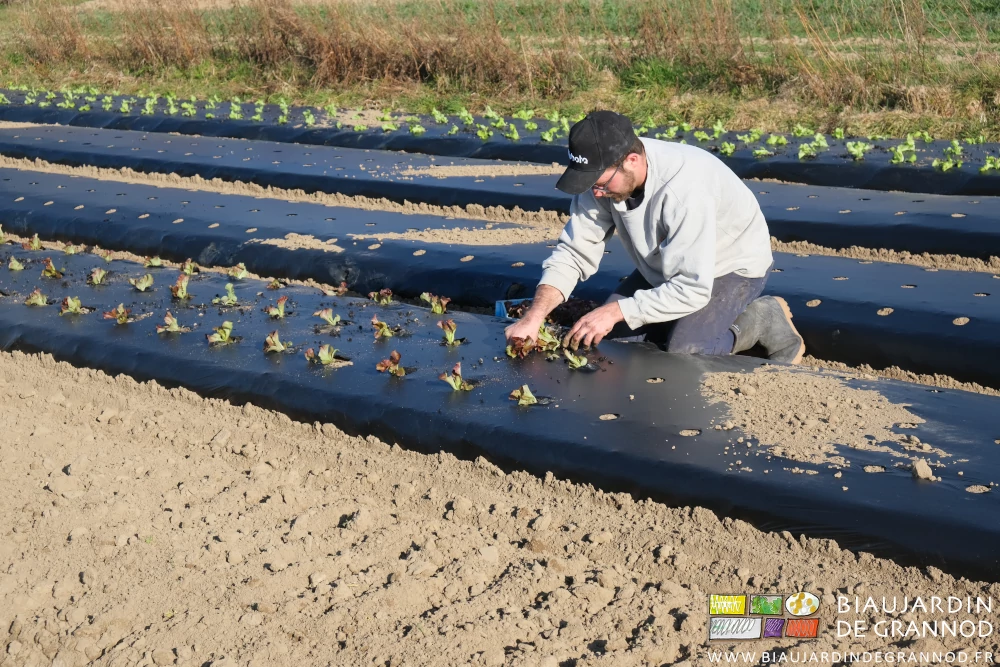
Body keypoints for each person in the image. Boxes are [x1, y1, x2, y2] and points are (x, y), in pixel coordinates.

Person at [503, 110, 804, 362]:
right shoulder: (603, 179)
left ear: (631, 160)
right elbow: (574, 253)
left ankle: (762, 318)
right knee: (613, 343)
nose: (596, 192)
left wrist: (616, 310)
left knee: (685, 352)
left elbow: (692, 288)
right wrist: (534, 316)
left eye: (600, 182)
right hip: (667, 267)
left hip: (729, 267)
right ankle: (678, 322)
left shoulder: (684, 190)